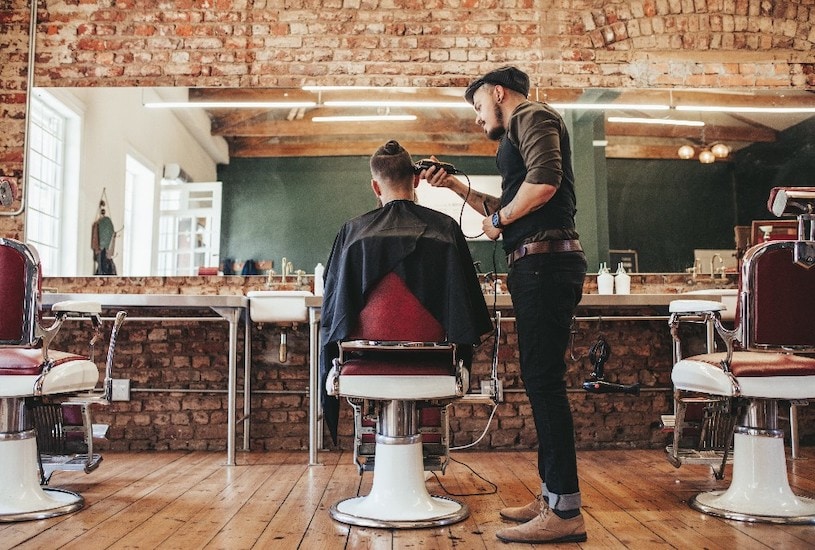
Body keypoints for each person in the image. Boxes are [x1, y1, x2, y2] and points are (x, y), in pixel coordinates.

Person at [423, 66, 588, 544]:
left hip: (546, 265)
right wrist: (456, 188)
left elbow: (544, 186)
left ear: (499, 93)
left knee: (545, 384)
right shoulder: (520, 131)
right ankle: (552, 496)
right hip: (537, 263)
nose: (478, 118)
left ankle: (564, 510)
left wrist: (499, 217)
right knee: (541, 383)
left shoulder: (530, 116)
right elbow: (512, 204)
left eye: (478, 107)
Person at [319, 139, 493, 444]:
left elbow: (335, 307)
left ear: (375, 187)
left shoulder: (352, 233)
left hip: (365, 360)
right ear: (416, 179)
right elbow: (466, 309)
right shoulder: (446, 229)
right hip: (435, 359)